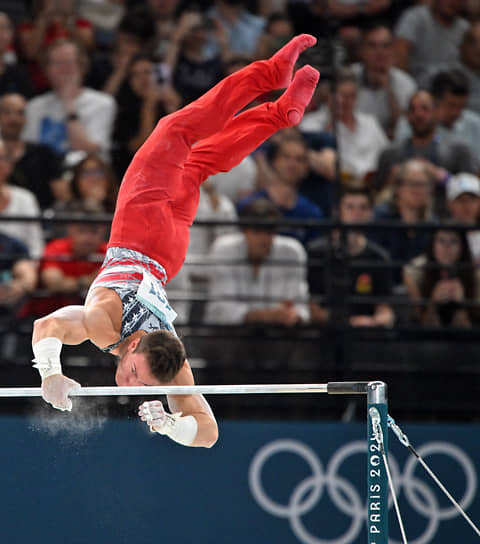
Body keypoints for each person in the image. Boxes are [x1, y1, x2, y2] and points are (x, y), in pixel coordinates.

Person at [30, 34, 320, 448]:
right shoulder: (103, 324)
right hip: (139, 232)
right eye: (135, 374)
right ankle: (269, 75)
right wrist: (50, 373)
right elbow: (47, 325)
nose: (131, 385)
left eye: (139, 380)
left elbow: (207, 433)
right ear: (134, 344)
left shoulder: (173, 357)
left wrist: (171, 424)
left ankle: (279, 114)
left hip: (169, 255)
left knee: (197, 165)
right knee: (177, 130)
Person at [204, 198, 309, 325]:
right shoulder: (223, 249)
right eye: (257, 231)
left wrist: (293, 315)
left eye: (269, 231)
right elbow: (222, 311)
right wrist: (269, 316)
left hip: (280, 335)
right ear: (244, 231)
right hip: (228, 336)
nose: (264, 239)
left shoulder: (293, 252)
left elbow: (300, 307)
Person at [308, 185, 394, 327]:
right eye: (350, 207)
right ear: (338, 212)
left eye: (363, 208)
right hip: (325, 334)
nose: (356, 213)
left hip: (365, 336)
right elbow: (312, 308)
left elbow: (385, 309)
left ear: (371, 213)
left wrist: (376, 321)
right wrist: (348, 322)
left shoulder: (379, 257)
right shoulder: (316, 252)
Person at [23, 39, 116, 163]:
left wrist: (69, 104)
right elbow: (30, 154)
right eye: (57, 63)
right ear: (47, 70)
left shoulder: (103, 104)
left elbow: (90, 150)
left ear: (82, 67)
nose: (63, 70)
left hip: (86, 176)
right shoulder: (34, 106)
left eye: (68, 63)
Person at [300, 66, 389, 183]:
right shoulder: (311, 124)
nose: (344, 101)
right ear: (330, 96)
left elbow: (387, 155)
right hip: (336, 184)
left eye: (351, 96)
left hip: (373, 183)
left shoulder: (370, 123)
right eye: (341, 95)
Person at [350, 20, 417, 139]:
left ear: (392, 50)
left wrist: (388, 89)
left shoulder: (406, 84)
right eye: (372, 45)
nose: (380, 52)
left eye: (385, 46)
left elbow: (406, 129)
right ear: (362, 50)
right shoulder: (349, 77)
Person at [403, 227, 480, 327]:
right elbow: (424, 327)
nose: (446, 248)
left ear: (462, 247)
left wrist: (460, 305)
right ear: (433, 245)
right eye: (441, 241)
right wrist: (433, 304)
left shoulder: (476, 275)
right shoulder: (414, 272)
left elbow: (469, 333)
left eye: (453, 241)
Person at [0, 93, 63, 210]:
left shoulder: (44, 154)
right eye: (7, 112)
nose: (13, 118)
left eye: (20, 113)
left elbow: (62, 196)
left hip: (41, 220)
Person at [393, 0, 469, 86]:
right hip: (417, 88)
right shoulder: (415, 18)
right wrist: (406, 88)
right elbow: (399, 57)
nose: (453, 2)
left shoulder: (465, 29)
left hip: (453, 90)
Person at [446, 172, 480, 264]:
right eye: (461, 200)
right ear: (449, 204)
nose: (467, 205)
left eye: (472, 199)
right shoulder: (441, 235)